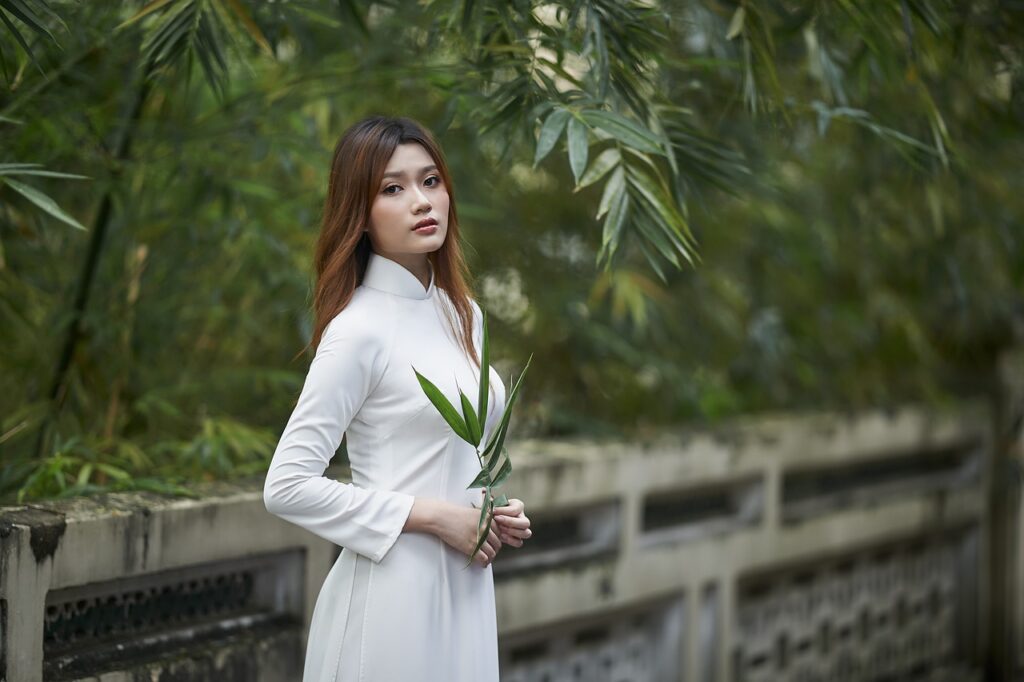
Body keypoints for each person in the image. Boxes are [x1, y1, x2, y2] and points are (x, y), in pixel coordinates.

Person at [263, 115, 532, 681]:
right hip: (391, 599)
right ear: (359, 215)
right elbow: (286, 486)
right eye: (393, 188)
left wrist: (489, 512)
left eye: (431, 180)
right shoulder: (358, 329)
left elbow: (448, 455)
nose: (421, 200)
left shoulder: (464, 316)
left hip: (465, 588)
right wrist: (435, 517)